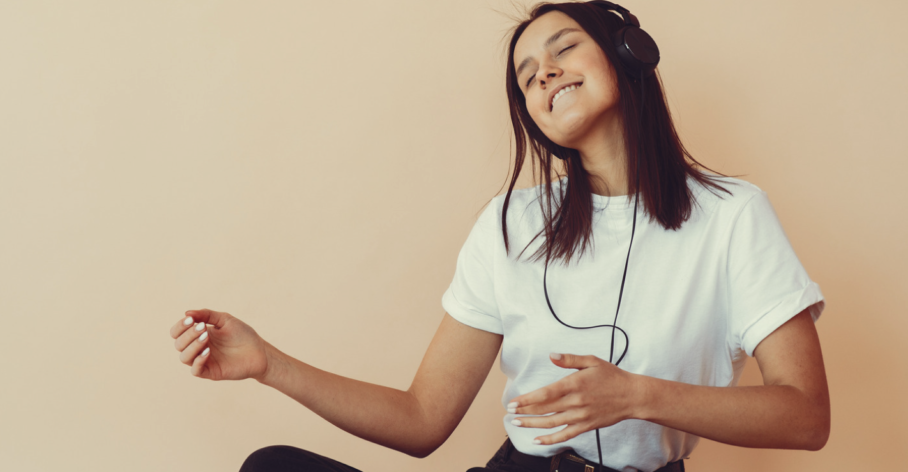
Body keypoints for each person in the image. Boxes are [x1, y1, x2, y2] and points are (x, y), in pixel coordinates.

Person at [167, 2, 829, 471]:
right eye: (526, 74)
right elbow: (423, 420)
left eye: (564, 48)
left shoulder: (734, 216)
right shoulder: (509, 224)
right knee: (273, 467)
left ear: (630, 53)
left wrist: (638, 395)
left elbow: (806, 417)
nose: (543, 72)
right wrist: (268, 363)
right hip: (519, 469)